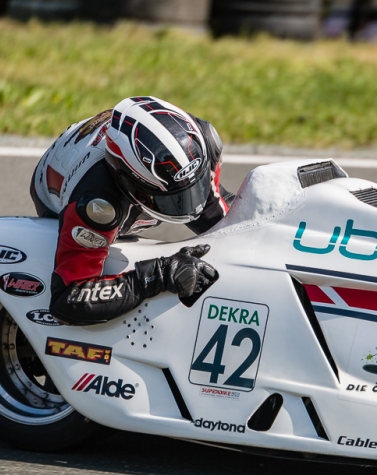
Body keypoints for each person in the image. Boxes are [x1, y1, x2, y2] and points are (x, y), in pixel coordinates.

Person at [30, 96, 233, 325]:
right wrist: (157, 275)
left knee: (230, 232)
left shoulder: (200, 140)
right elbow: (67, 298)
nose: (190, 205)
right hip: (56, 193)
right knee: (113, 273)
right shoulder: (97, 204)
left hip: (142, 163)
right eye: (172, 200)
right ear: (130, 183)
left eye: (194, 189)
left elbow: (232, 226)